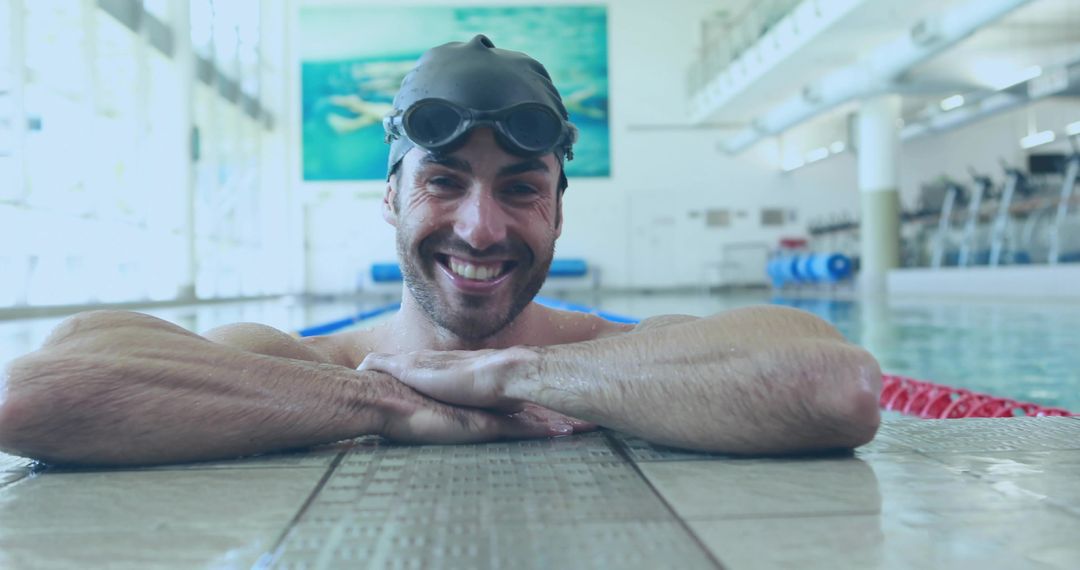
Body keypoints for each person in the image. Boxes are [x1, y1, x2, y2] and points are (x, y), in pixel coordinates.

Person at [0, 36, 880, 466]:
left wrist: (514, 376)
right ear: (389, 197)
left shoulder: (610, 357)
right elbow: (29, 395)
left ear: (559, 214)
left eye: (522, 189)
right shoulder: (294, 365)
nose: (482, 228)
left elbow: (835, 386)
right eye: (444, 182)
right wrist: (378, 404)